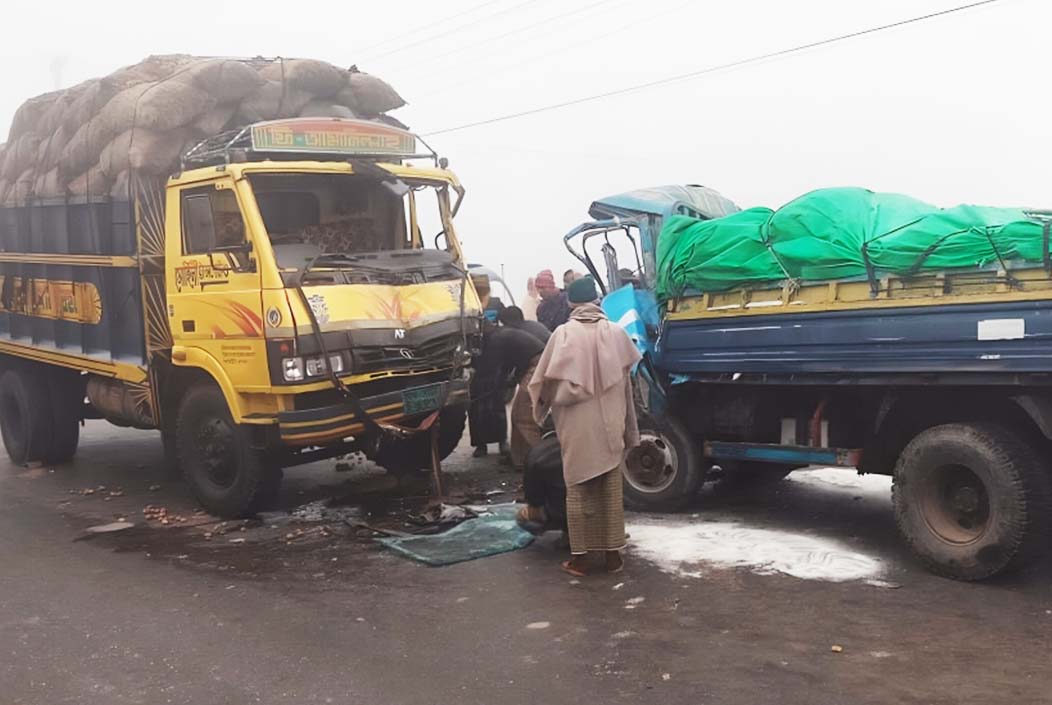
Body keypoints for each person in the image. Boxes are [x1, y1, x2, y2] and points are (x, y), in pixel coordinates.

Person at [528, 276, 641, 577]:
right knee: (610, 489)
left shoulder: (563, 335)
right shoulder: (617, 333)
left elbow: (542, 382)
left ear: (571, 303)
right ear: (596, 300)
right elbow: (628, 386)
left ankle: (582, 558)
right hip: (611, 421)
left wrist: (543, 407)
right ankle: (613, 555)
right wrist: (630, 429)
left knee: (579, 489)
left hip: (578, 425)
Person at [479, 323, 546, 471]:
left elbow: (496, 369)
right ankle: (520, 460)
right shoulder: (504, 334)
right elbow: (507, 367)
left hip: (537, 366)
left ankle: (544, 460)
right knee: (518, 416)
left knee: (523, 418)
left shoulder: (495, 340)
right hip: (537, 363)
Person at [469, 321, 509, 458]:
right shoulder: (469, 337)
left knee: (497, 411)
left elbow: (503, 359)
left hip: (494, 377)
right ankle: (480, 445)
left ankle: (502, 442)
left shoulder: (496, 337)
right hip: (476, 378)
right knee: (476, 414)